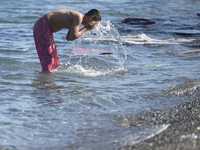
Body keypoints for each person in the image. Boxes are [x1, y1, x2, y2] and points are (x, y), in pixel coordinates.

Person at [33, 9, 101, 72]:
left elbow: (68, 37)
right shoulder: (78, 17)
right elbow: (73, 36)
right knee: (49, 57)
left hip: (45, 27)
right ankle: (46, 80)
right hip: (43, 25)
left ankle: (49, 77)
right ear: (91, 18)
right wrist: (86, 28)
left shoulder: (77, 19)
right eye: (95, 23)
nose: (95, 26)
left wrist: (84, 28)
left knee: (54, 57)